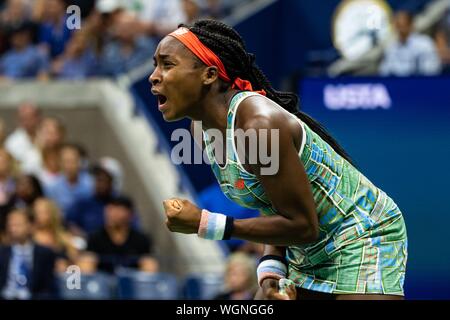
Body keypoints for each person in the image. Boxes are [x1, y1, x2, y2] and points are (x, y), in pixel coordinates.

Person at [152, 20, 408, 300]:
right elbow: (270, 203)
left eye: (167, 64)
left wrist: (207, 223)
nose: (154, 76)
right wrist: (270, 268)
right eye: (155, 65)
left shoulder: (259, 126)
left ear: (209, 75)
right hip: (305, 250)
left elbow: (302, 225)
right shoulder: (201, 130)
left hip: (361, 235)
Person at [86, 195, 154, 273]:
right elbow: (87, 265)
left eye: (118, 209)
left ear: (130, 214)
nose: (112, 213)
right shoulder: (95, 238)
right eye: (109, 209)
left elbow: (149, 265)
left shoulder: (141, 239)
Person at [0, 208, 57, 299]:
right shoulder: (2, 253)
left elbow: (48, 288)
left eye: (18, 225)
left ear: (30, 226)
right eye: (10, 225)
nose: (13, 229)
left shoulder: (44, 254)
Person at [379, 10, 441, 76]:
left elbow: (431, 70)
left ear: (411, 25)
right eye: (398, 25)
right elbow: (384, 72)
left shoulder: (425, 43)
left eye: (403, 25)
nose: (400, 29)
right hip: (397, 84)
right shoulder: (391, 47)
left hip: (420, 83)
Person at [45, 143, 94, 217]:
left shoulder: (91, 184)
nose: (69, 166)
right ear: (60, 163)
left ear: (79, 162)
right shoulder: (52, 187)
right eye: (66, 161)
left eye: (73, 161)